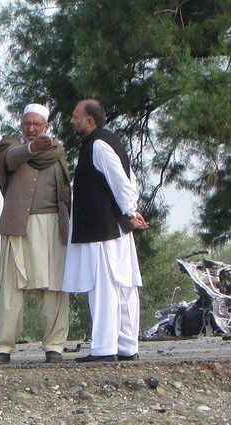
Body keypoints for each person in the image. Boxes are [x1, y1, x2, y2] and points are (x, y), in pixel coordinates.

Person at [63, 99, 147, 362]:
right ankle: (126, 346)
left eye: (76, 116)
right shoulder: (107, 141)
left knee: (105, 287)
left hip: (103, 229)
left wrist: (131, 211)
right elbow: (130, 178)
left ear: (90, 121)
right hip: (113, 228)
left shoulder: (98, 145)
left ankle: (104, 348)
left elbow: (122, 182)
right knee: (121, 287)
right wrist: (129, 212)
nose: (72, 120)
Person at [0, 103, 71, 364]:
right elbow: (12, 159)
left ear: (47, 126)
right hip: (18, 225)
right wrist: (33, 148)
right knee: (12, 288)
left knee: (54, 288)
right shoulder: (9, 146)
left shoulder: (58, 152)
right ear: (22, 125)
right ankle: (2, 348)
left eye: (38, 124)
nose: (33, 128)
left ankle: (54, 347)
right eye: (28, 123)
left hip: (53, 226)